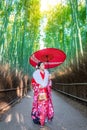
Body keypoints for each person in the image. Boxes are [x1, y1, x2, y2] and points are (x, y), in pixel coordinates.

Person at [31, 62, 54, 127]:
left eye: (44, 65)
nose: (44, 66)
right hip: (39, 93)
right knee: (40, 107)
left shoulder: (47, 73)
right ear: (39, 67)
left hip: (46, 92)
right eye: (42, 65)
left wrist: (49, 80)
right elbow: (33, 84)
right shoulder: (36, 74)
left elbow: (49, 85)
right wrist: (38, 86)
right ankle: (41, 121)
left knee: (46, 106)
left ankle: (45, 118)